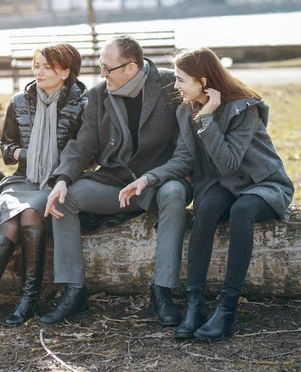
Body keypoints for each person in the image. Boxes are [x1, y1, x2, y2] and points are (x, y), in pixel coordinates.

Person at [119, 47, 294, 342]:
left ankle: (226, 310)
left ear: (203, 81)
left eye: (181, 80)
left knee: (241, 212)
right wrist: (148, 178)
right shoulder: (185, 110)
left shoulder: (243, 107)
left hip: (261, 184)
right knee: (206, 209)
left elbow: (229, 162)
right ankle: (195, 305)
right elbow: (183, 159)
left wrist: (208, 118)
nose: (175, 86)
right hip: (222, 185)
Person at [41, 35, 193, 326]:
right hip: (117, 185)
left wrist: (151, 178)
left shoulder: (171, 86)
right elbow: (83, 145)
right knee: (65, 197)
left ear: (131, 68)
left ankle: (163, 291)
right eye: (100, 66)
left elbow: (185, 153)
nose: (101, 74)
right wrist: (62, 179)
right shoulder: (99, 95)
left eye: (106, 68)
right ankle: (74, 292)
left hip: (161, 181)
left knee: (174, 194)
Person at [0, 43, 87, 334]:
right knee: (9, 225)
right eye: (37, 65)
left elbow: (86, 152)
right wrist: (23, 154)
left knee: (31, 216)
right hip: (22, 178)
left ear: (65, 71)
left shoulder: (82, 105)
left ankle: (28, 299)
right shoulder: (20, 101)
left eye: (47, 66)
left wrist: (60, 170)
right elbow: (6, 147)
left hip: (56, 180)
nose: (40, 71)